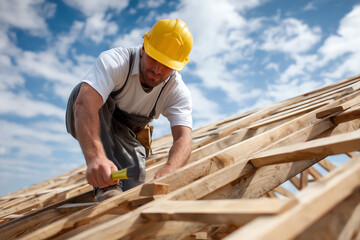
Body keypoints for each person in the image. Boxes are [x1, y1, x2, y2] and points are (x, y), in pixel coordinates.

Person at [65, 19, 193, 201]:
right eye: (154, 58)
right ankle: (107, 185)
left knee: (133, 184)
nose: (157, 69)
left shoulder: (177, 91)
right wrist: (95, 158)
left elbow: (184, 138)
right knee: (84, 91)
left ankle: (115, 179)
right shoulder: (116, 62)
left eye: (166, 65)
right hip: (90, 118)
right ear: (143, 48)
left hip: (125, 136)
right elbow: (85, 104)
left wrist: (170, 170)